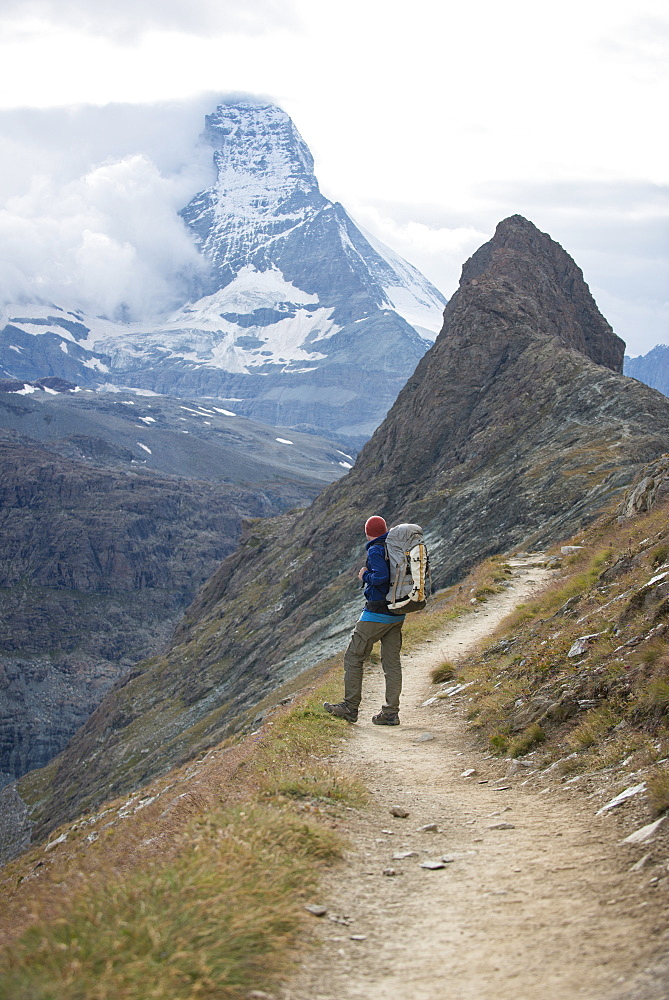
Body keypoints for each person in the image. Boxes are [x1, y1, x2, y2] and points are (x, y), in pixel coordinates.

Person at [324, 515, 405, 726]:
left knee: (353, 657)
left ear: (368, 532)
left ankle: (350, 708)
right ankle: (390, 712)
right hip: (397, 613)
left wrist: (365, 575)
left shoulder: (376, 549)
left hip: (376, 613)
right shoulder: (394, 546)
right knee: (392, 663)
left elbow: (380, 577)